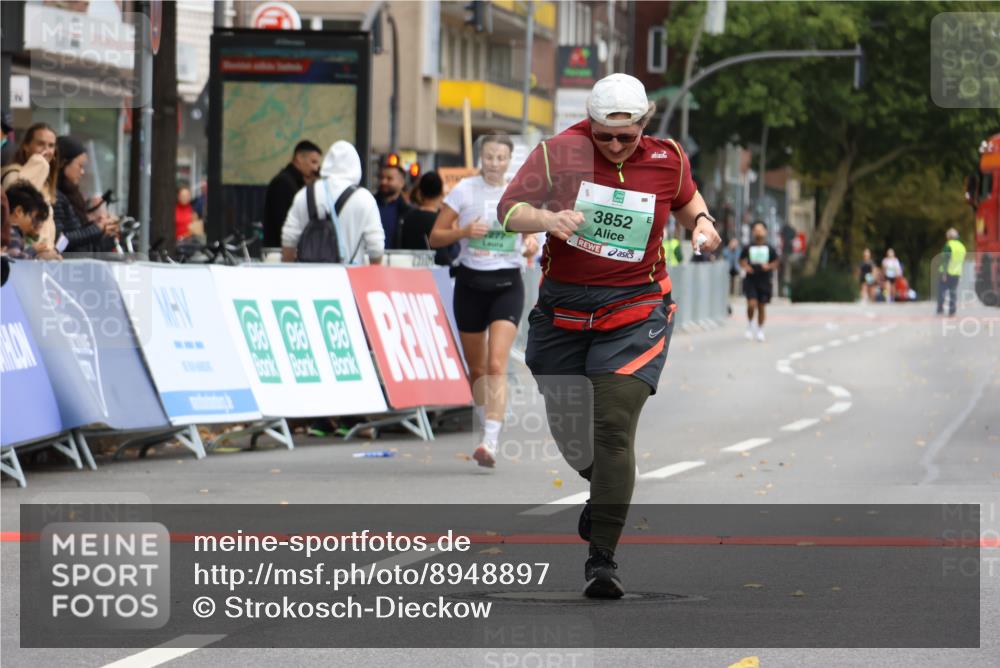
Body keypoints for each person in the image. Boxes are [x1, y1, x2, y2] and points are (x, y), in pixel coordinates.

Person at [498, 73, 721, 598]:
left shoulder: (668, 157)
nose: (617, 145)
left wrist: (703, 224)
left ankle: (602, 558)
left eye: (628, 136)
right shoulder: (559, 153)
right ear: (591, 125)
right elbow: (509, 211)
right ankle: (603, 491)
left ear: (645, 123)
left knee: (614, 425)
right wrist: (547, 218)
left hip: (636, 307)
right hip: (563, 310)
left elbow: (688, 200)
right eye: (606, 136)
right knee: (574, 435)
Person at [430, 136, 538, 467]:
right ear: (481, 157)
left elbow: (533, 236)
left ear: (509, 160)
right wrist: (463, 233)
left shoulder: (519, 192)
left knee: (495, 364)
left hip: (507, 283)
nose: (494, 163)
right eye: (489, 157)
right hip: (470, 283)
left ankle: (490, 441)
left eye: (500, 157)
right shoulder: (464, 190)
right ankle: (485, 424)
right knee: (476, 368)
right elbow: (435, 236)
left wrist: (531, 242)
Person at [281, 140, 385, 265]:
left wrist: (289, 271)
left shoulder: (304, 194)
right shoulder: (365, 198)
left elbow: (288, 238)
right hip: (348, 278)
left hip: (308, 277)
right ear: (356, 165)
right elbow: (376, 247)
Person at [1, 122, 61, 259]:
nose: (46, 150)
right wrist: (40, 163)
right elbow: (15, 216)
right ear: (26, 146)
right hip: (23, 258)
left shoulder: (46, 183)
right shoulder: (14, 174)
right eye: (40, 144)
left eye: (51, 145)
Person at [53, 136, 117, 254]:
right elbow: (60, 243)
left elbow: (84, 244)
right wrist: (97, 228)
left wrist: (105, 232)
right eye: (80, 166)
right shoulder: (55, 197)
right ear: (63, 163)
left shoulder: (71, 195)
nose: (82, 172)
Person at [262, 140, 322, 247]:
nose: (316, 168)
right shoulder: (283, 183)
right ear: (299, 158)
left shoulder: (298, 183)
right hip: (280, 251)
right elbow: (283, 223)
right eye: (313, 162)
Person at [398, 171, 458, 266]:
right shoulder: (441, 221)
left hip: (410, 271)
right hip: (437, 274)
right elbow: (451, 253)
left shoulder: (408, 217)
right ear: (441, 192)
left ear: (420, 191)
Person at [740, 221, 779, 342]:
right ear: (753, 232)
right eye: (756, 230)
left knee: (762, 306)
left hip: (765, 280)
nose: (758, 232)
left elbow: (776, 261)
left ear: (765, 231)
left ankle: (760, 330)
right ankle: (750, 324)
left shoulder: (770, 248)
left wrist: (769, 266)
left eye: (761, 229)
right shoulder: (748, 247)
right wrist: (746, 267)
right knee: (751, 304)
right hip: (751, 279)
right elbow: (741, 260)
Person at [3, 180, 50, 259]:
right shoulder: (11, 232)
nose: (33, 227)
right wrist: (34, 250)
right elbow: (16, 260)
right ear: (19, 211)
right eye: (34, 220)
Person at [376, 160, 412, 249]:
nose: (384, 182)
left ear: (401, 182)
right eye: (381, 178)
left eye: (389, 179)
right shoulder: (370, 205)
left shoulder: (408, 211)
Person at [937, 228, 966, 316]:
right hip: (957, 272)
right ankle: (952, 311)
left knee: (941, 291)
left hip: (947, 272)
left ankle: (940, 309)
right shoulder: (962, 247)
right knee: (953, 292)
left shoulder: (948, 245)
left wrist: (944, 273)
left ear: (949, 237)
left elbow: (946, 260)